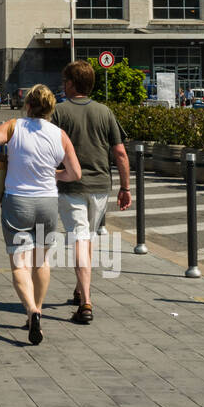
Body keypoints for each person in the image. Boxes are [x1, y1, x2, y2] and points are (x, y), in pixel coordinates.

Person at [0, 85, 82, 345]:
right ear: (51, 109)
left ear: (28, 105)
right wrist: (54, 173)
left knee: (19, 263)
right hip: (47, 202)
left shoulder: (15, 126)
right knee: (41, 260)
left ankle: (31, 311)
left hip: (17, 202)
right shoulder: (59, 135)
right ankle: (38, 309)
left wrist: (3, 156)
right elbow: (75, 174)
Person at [51, 61, 130, 325]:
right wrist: (125, 187)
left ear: (72, 84)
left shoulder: (59, 112)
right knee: (87, 238)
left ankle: (85, 302)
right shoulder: (105, 112)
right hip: (100, 187)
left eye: (65, 81)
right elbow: (119, 153)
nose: (63, 86)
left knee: (79, 240)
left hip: (71, 186)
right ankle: (78, 289)